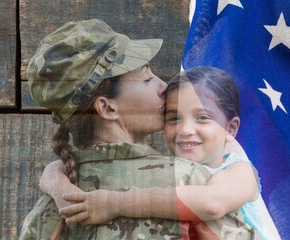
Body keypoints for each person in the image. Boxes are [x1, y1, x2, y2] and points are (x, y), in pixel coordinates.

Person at [19, 19, 259, 239]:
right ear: (107, 108)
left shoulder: (50, 206)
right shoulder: (194, 184)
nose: (164, 86)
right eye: (147, 79)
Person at [43, 67, 280, 239]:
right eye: (174, 118)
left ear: (231, 128)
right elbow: (53, 169)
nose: (186, 130)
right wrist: (58, 185)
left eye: (203, 117)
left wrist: (113, 203)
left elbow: (211, 203)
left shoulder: (239, 170)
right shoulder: (171, 168)